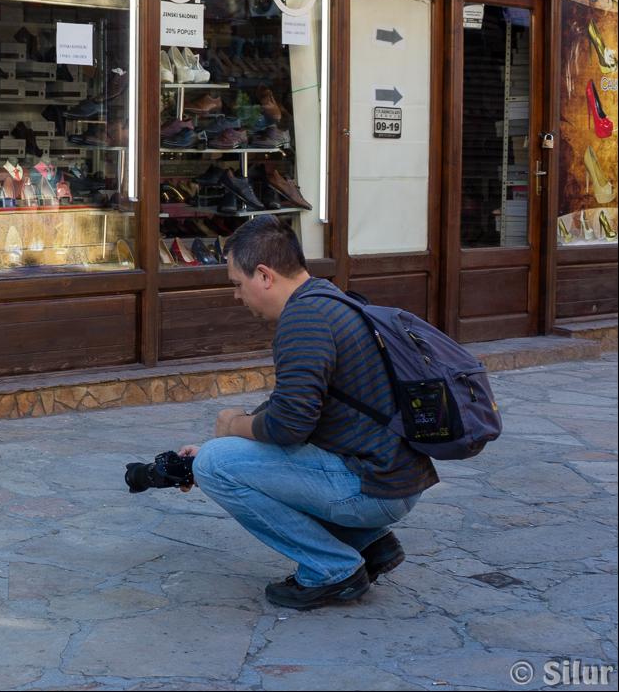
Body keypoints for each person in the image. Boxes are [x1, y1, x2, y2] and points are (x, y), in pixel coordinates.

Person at [178, 215, 439, 610]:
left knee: (215, 464)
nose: (236, 296)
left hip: (376, 489)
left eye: (237, 284)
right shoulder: (330, 299)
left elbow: (289, 426)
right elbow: (301, 408)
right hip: (395, 478)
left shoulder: (304, 320)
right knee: (219, 457)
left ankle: (332, 569)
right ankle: (370, 545)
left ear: (264, 275)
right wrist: (235, 442)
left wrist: (230, 427)